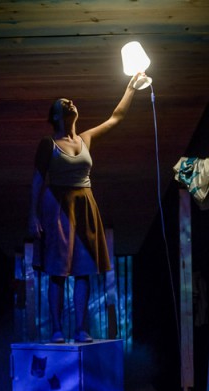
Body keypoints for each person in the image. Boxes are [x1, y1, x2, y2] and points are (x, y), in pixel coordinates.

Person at [29, 73, 144, 344]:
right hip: (58, 205)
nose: (70, 102)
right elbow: (37, 179)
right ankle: (57, 329)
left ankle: (81, 328)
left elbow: (115, 118)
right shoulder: (48, 144)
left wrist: (130, 88)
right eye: (63, 103)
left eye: (70, 101)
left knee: (83, 268)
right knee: (58, 270)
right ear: (55, 116)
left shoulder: (85, 138)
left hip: (85, 205)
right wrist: (33, 214)